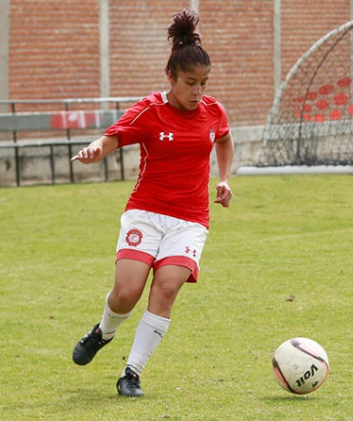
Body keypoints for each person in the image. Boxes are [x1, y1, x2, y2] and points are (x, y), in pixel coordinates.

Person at [70, 9, 234, 397]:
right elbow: (113, 137)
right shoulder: (150, 110)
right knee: (127, 292)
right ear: (171, 78)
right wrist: (97, 149)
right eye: (190, 83)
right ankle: (103, 332)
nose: (198, 92)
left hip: (190, 220)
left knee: (166, 288)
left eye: (204, 83)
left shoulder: (213, 111)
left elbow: (224, 139)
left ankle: (132, 373)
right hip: (146, 211)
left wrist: (224, 178)